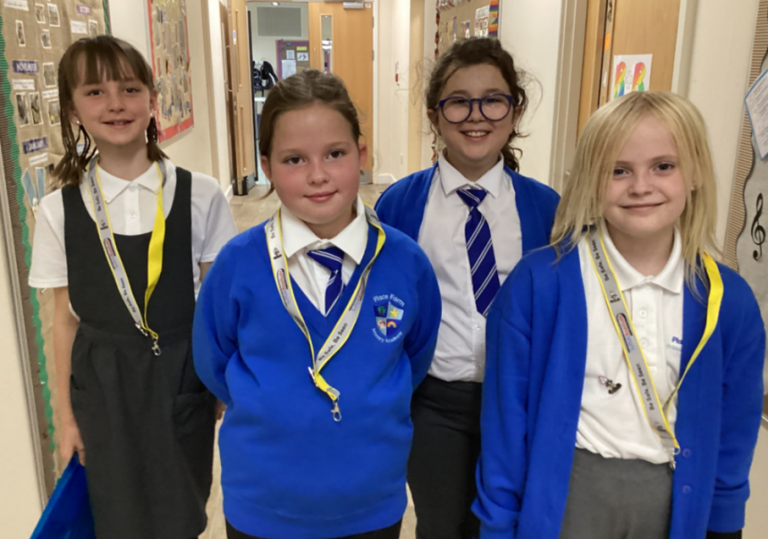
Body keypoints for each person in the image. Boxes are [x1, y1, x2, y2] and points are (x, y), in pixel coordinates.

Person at [474, 91, 766, 539]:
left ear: (695, 174)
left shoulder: (729, 302)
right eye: (618, 170)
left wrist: (724, 525)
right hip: (567, 500)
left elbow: (735, 429)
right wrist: (497, 524)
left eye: (663, 166)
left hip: (674, 501)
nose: (641, 186)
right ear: (591, 180)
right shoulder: (538, 284)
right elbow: (505, 425)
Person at [193, 69, 442, 539]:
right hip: (262, 505)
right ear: (267, 167)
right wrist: (278, 404)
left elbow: (415, 356)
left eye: (335, 153)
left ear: (361, 155)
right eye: (294, 159)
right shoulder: (237, 264)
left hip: (370, 503)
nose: (318, 175)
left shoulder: (405, 262)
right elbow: (214, 362)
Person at [28, 36, 237, 539]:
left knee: (183, 506)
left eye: (129, 88)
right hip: (102, 387)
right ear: (73, 110)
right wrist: (66, 419)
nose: (115, 104)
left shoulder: (201, 193)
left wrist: (218, 383)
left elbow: (216, 302)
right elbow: (63, 320)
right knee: (116, 512)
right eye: (95, 92)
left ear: (152, 99)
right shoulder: (58, 210)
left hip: (180, 378)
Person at [374, 37, 560, 539]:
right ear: (434, 117)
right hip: (434, 402)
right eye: (458, 102)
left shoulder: (548, 209)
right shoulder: (399, 205)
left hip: (520, 401)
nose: (476, 116)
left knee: (508, 522)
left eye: (493, 100)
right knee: (441, 524)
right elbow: (383, 303)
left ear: (515, 111)